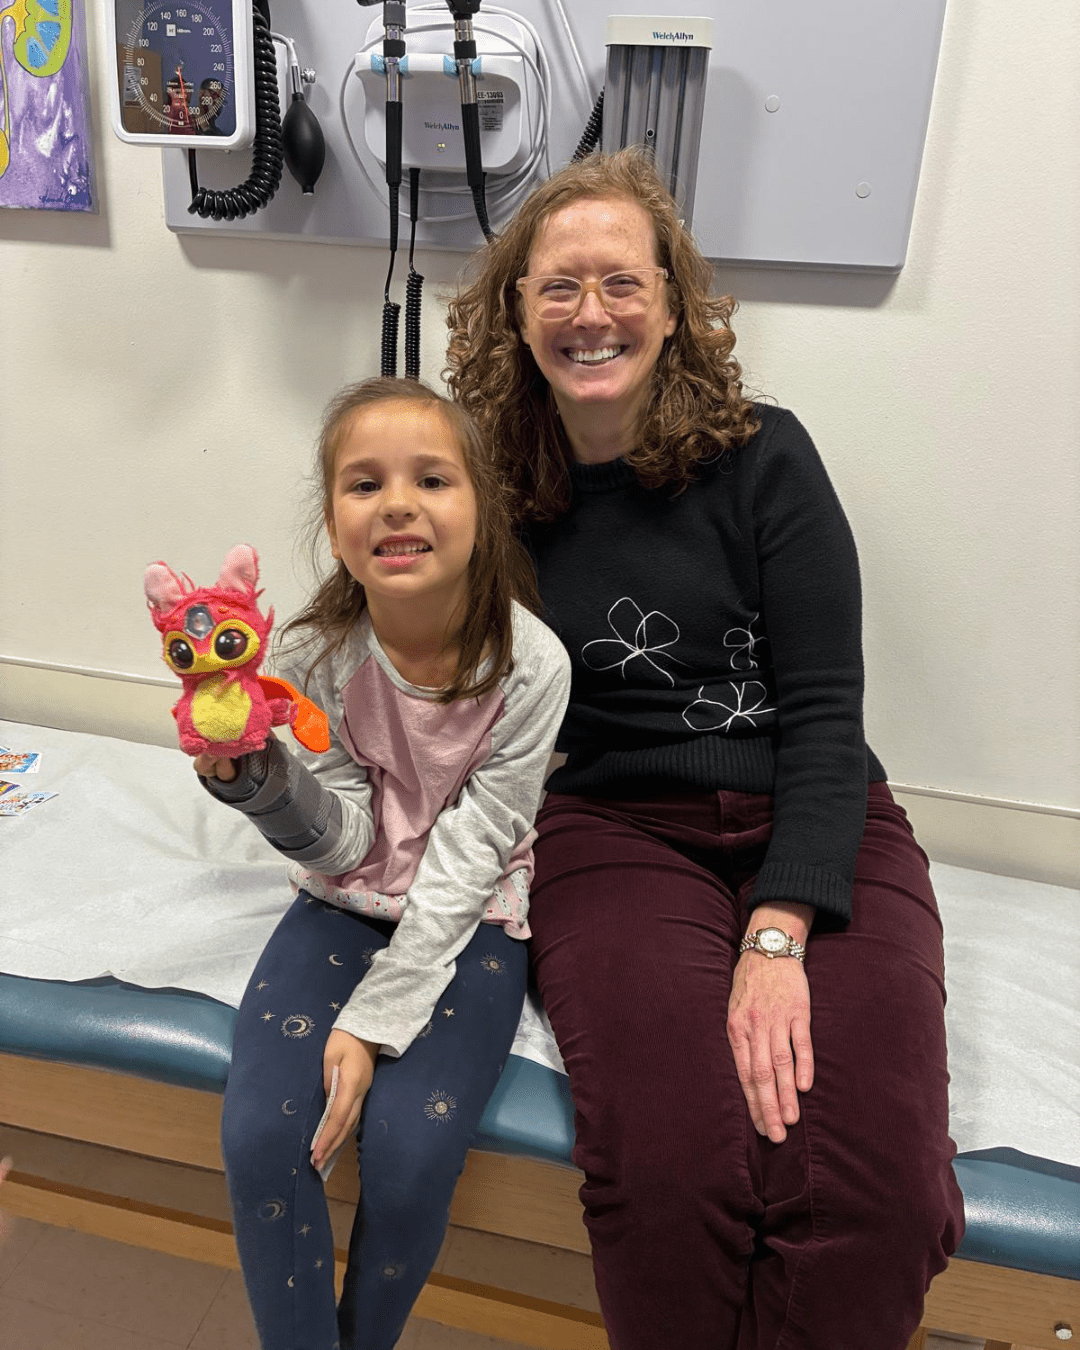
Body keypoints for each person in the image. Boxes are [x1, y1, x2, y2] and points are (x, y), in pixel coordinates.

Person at [446, 149, 965, 1350]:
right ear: (514, 312)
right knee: (675, 1176)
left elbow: (830, 715)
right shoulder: (489, 487)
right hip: (612, 830)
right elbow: (423, 665)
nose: (591, 314)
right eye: (557, 287)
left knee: (877, 1195)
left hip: (813, 811)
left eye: (621, 282)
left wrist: (778, 930)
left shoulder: (765, 457)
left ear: (674, 305)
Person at [194, 377, 571, 1350]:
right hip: (341, 900)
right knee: (262, 1136)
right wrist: (260, 784)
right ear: (333, 520)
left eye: (432, 479)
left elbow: (469, 855)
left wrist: (374, 1019)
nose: (398, 502)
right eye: (364, 484)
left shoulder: (532, 666)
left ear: (481, 509)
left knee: (409, 1150)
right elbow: (348, 840)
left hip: (470, 914)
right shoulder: (314, 655)